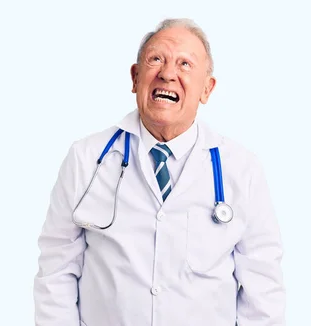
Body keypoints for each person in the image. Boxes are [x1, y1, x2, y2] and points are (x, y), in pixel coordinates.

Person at [33, 18, 286, 325]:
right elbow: (55, 271)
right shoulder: (86, 158)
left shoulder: (241, 169)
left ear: (207, 89)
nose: (167, 74)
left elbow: (263, 290)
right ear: (135, 77)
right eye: (156, 60)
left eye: (185, 64)